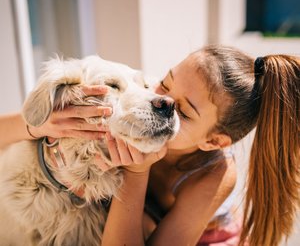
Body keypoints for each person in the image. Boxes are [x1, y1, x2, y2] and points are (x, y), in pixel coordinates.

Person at [0, 45, 299, 246]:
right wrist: (37, 125)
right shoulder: (144, 103)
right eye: (165, 84)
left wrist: (137, 172)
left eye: (182, 111)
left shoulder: (215, 174)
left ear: (213, 141)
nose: (162, 102)